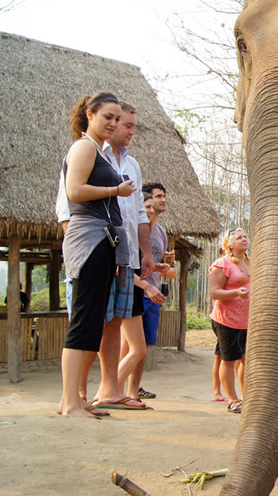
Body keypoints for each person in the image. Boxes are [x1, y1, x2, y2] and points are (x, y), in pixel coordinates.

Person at [57, 102, 155, 411]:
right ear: (90, 115)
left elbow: (137, 211)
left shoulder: (105, 156)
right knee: (86, 321)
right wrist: (115, 190)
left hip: (111, 247)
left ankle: (85, 396)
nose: (115, 125)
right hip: (90, 241)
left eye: (119, 120)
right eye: (109, 118)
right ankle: (73, 398)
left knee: (101, 322)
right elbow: (71, 196)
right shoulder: (84, 149)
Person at [125, 185, 176, 400]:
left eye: (164, 196)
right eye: (157, 197)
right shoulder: (134, 230)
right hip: (136, 291)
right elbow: (127, 267)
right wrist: (145, 284)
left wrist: (164, 262)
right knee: (128, 346)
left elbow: (157, 264)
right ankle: (114, 389)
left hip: (153, 294)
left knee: (144, 346)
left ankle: (133, 391)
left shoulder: (161, 232)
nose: (162, 200)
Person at [209, 227, 250, 413]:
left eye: (245, 236)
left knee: (246, 360)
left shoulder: (251, 263)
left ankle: (245, 397)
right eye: (238, 237)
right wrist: (235, 292)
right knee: (228, 360)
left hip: (247, 321)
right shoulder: (222, 264)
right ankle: (232, 400)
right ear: (229, 244)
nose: (243, 239)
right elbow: (214, 292)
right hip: (227, 321)